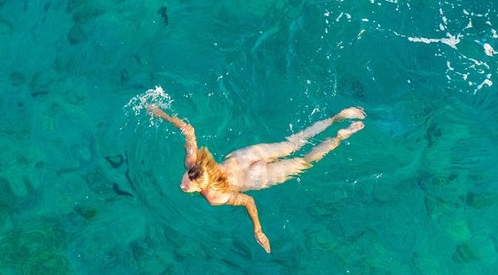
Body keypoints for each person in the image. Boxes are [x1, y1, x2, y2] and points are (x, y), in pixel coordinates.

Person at [147, 105, 365, 253]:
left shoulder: (215, 196)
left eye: (187, 185)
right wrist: (160, 113)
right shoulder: (194, 163)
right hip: (246, 157)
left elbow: (248, 200)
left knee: (305, 161)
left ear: (203, 185)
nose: (182, 185)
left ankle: (339, 137)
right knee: (295, 142)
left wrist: (257, 229)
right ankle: (338, 117)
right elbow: (188, 129)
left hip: (256, 176)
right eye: (185, 181)